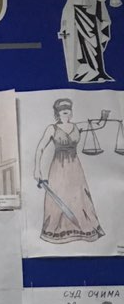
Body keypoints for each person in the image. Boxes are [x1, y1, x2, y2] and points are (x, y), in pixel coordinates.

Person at [32, 97, 106, 246]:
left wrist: (104, 117)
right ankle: (57, 231)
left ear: (71, 112)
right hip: (58, 168)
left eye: (68, 110)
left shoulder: (77, 126)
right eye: (62, 110)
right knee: (59, 196)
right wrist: (37, 169)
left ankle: (84, 229)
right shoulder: (52, 128)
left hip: (75, 167)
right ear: (57, 113)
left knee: (79, 196)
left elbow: (97, 125)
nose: (66, 112)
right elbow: (40, 148)